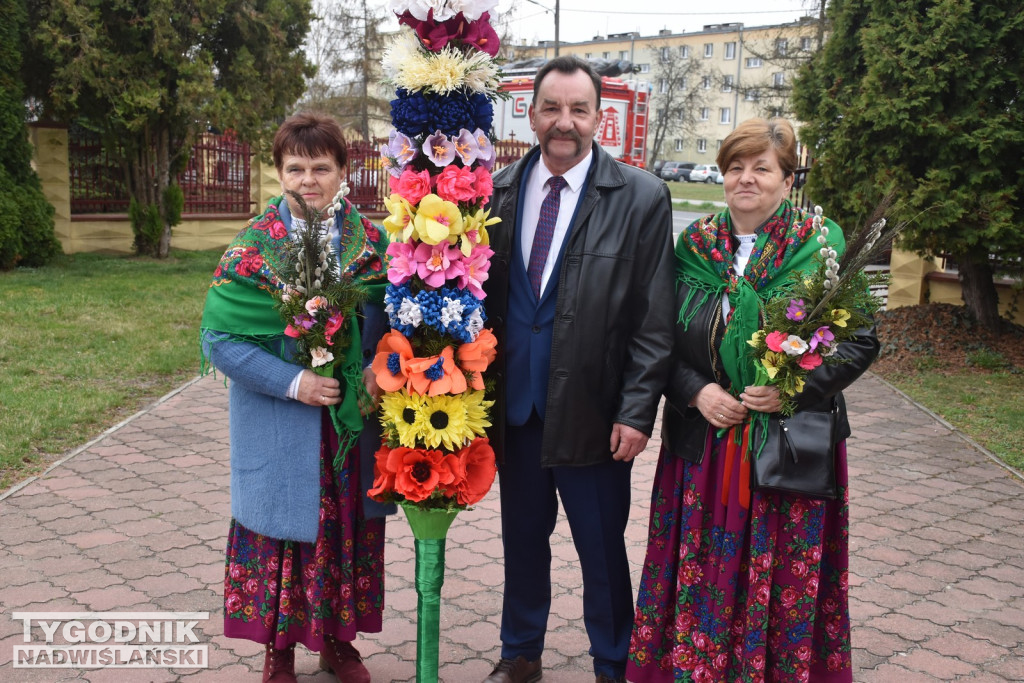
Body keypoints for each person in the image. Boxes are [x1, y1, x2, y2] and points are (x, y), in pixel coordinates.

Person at [626, 117, 880, 682]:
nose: (746, 179)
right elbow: (656, 337)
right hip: (706, 441)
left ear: (788, 180)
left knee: (779, 570)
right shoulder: (693, 247)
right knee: (699, 563)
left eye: (761, 168)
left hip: (785, 445)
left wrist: (792, 389)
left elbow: (861, 339)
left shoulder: (822, 246)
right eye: (734, 167)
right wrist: (697, 390)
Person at [482, 56, 675, 683]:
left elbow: (653, 318)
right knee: (522, 542)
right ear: (532, 112)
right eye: (552, 108)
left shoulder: (640, 197)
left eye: (579, 109)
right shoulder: (498, 190)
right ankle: (520, 652)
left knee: (601, 548)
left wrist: (637, 410)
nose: (564, 122)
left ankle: (614, 662)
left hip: (595, 411)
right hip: (517, 408)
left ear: (600, 117)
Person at [200, 112, 391, 683]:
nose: (309, 180)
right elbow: (220, 340)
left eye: (321, 168)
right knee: (280, 535)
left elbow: (395, 322)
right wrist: (296, 383)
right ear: (280, 172)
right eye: (296, 168)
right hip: (283, 423)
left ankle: (336, 642)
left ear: (344, 172)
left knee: (346, 532)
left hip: (352, 423)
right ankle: (277, 649)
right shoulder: (254, 250)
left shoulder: (372, 245)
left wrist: (383, 370)